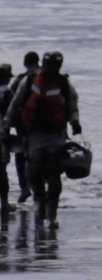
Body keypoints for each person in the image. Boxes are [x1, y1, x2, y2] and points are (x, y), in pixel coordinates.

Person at [4, 51, 81, 229]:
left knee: (54, 175)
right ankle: (39, 204)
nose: (51, 70)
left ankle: (51, 215)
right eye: (49, 66)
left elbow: (72, 105)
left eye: (55, 66)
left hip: (56, 136)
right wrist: (7, 125)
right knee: (33, 174)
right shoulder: (29, 81)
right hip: (33, 135)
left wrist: (75, 122)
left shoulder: (64, 83)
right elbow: (16, 104)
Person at [8, 51, 40, 205]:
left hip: (23, 124)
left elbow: (12, 103)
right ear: (38, 62)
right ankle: (40, 190)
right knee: (40, 156)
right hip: (43, 125)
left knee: (21, 155)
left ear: (25, 63)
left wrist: (8, 124)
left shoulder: (20, 79)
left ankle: (24, 187)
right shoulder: (48, 78)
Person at [0, 63, 15, 214]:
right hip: (1, 136)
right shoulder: (7, 93)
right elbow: (14, 115)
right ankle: (4, 203)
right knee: (1, 171)